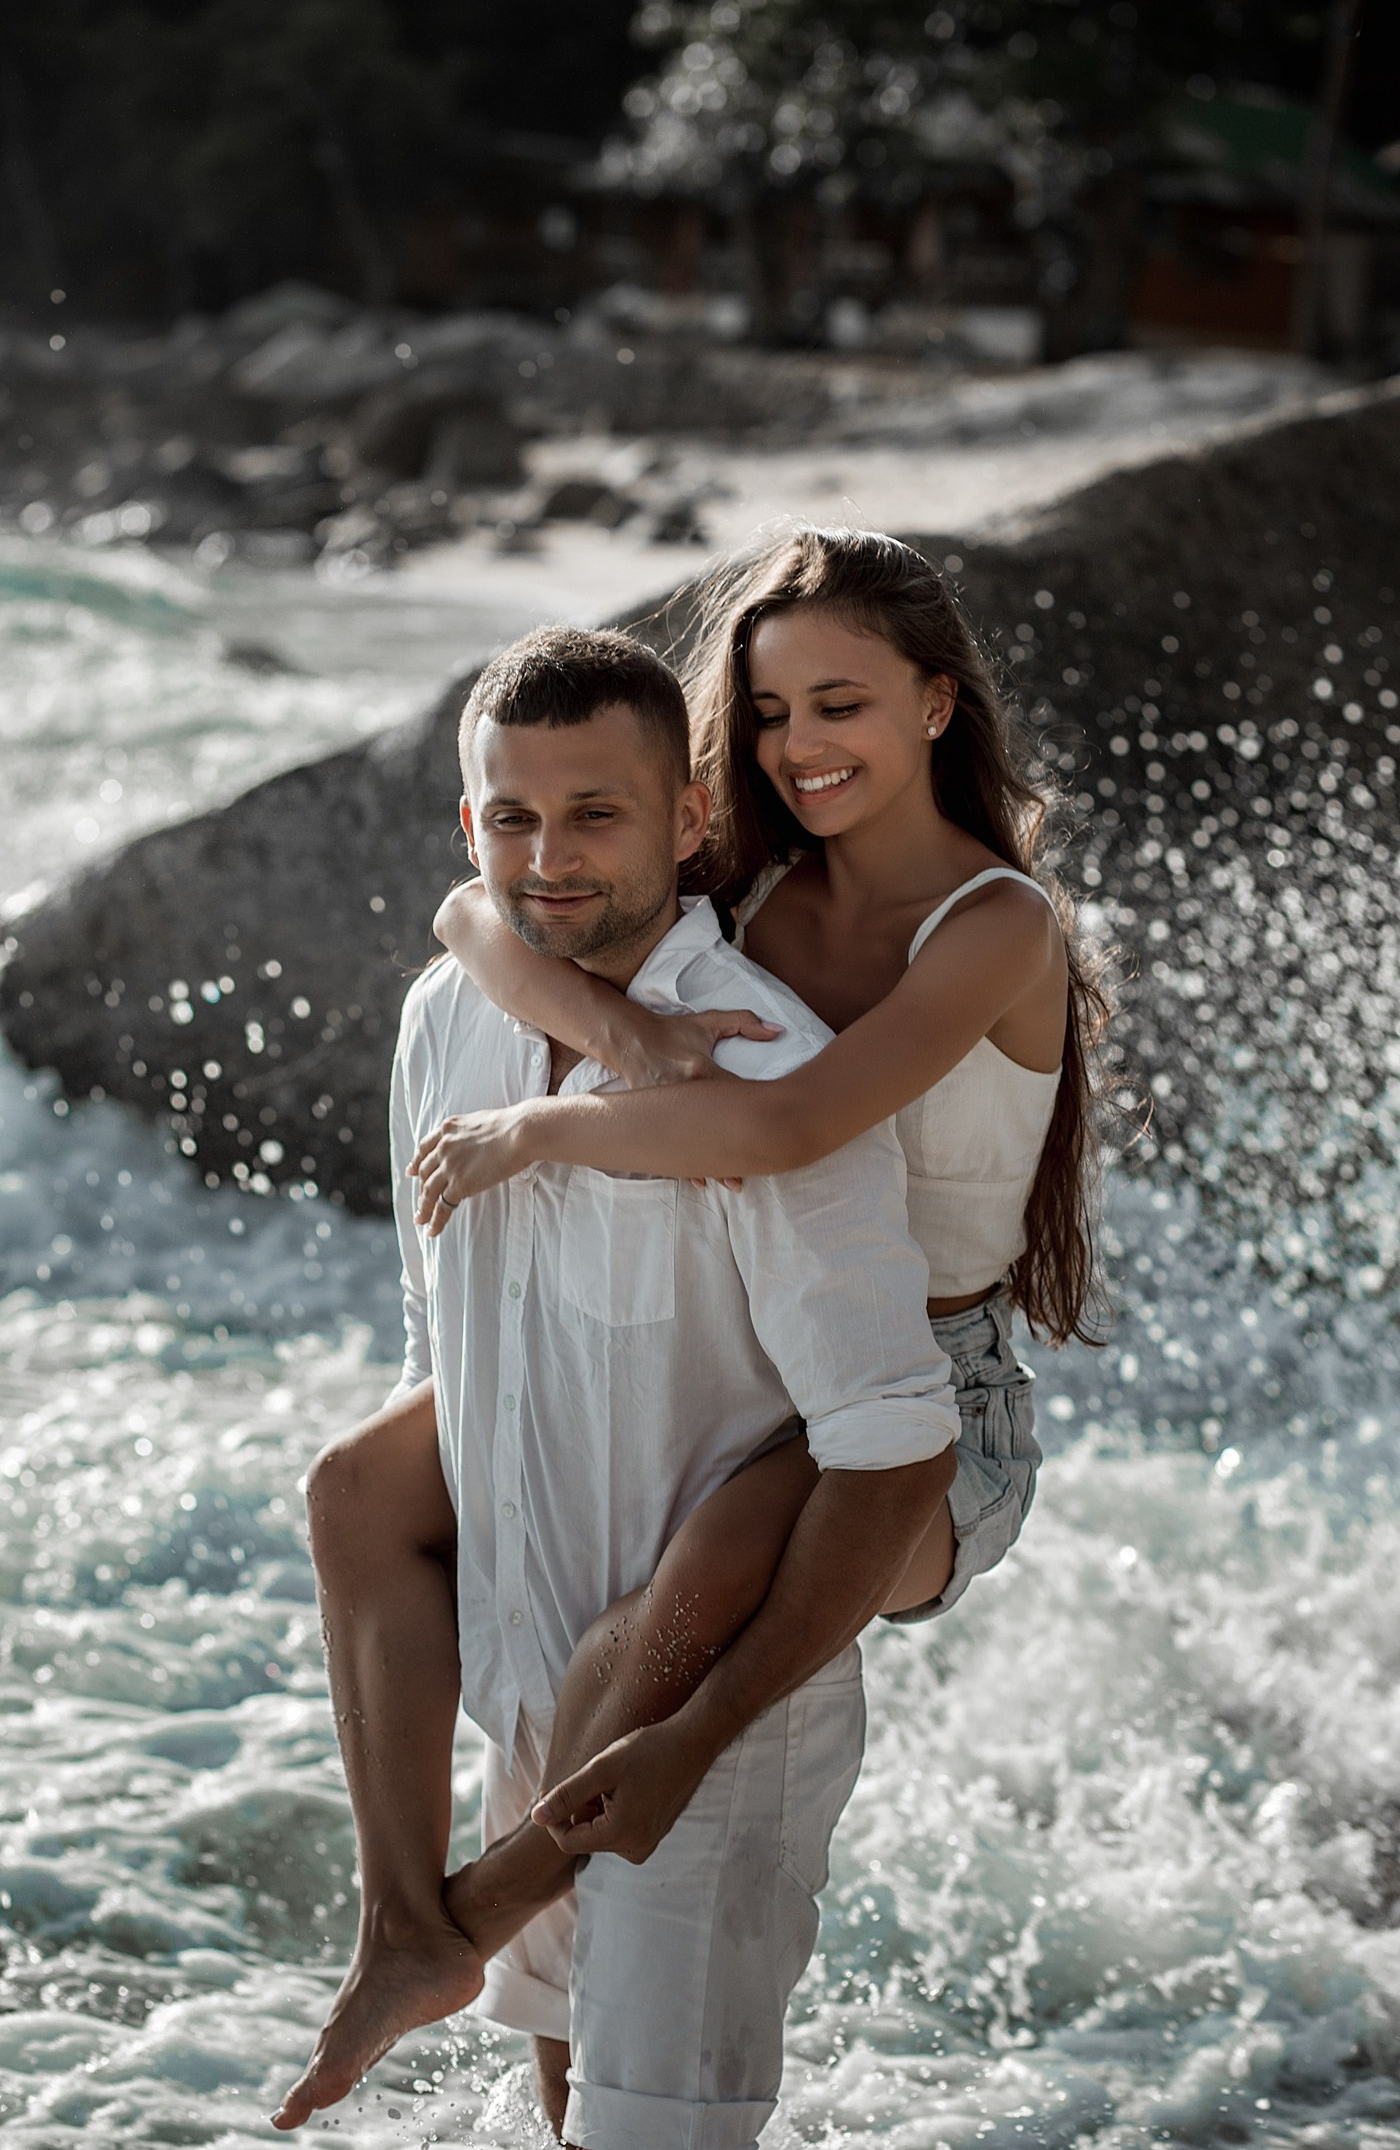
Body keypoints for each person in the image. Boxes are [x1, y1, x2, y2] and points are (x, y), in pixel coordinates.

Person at [277, 526, 1112, 2139]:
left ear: (939, 701)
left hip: (937, 1381)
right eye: (773, 711)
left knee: (679, 1607)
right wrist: (615, 1024)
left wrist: (544, 1128)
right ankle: (405, 1920)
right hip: (786, 1359)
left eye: (843, 704)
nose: (801, 747)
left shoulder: (996, 922)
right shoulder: (761, 879)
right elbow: (482, 910)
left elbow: (786, 1124)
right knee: (357, 1488)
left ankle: (478, 1911)